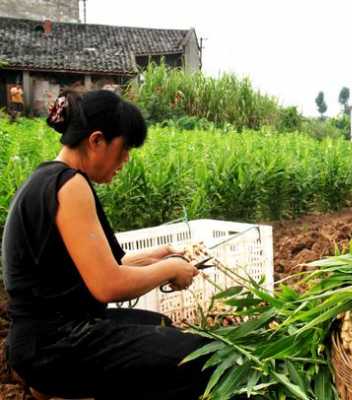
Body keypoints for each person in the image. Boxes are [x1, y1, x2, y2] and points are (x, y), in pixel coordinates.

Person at [2, 90, 211, 399]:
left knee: (161, 325)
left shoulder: (48, 179)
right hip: (55, 344)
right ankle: (52, 386)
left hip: (45, 338)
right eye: (124, 148)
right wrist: (170, 269)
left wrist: (163, 256)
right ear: (96, 140)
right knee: (201, 358)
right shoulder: (70, 186)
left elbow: (107, 265)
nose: (125, 160)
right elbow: (108, 285)